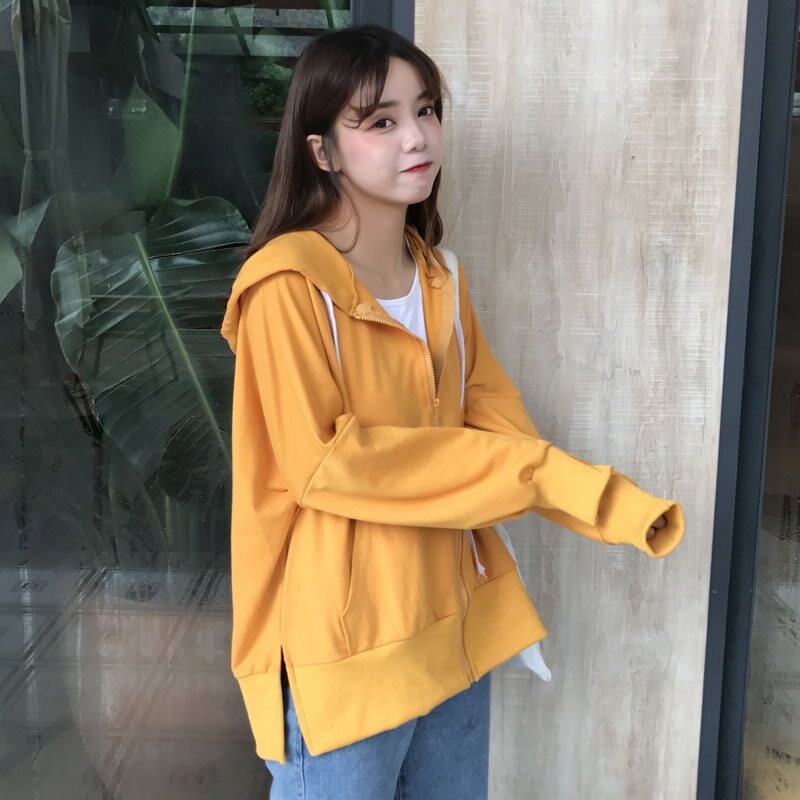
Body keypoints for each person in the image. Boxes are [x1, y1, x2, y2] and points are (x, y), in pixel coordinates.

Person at [220, 23, 685, 800]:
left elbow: (505, 436)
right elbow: (330, 465)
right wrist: (552, 478)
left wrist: (608, 505)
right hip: (345, 658)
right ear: (322, 152)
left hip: (456, 636)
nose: (417, 137)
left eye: (426, 110)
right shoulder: (286, 289)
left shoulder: (439, 278)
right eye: (381, 121)